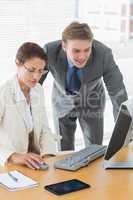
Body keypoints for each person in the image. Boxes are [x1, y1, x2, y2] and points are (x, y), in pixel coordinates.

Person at [40, 22, 128, 151]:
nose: (82, 56)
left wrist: (125, 132)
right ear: (64, 46)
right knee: (64, 151)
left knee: (94, 150)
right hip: (62, 103)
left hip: (92, 103)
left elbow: (118, 94)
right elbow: (34, 84)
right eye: (76, 51)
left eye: (87, 50)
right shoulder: (50, 51)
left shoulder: (103, 54)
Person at [0, 42, 57, 169]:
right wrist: (13, 156)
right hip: (10, 165)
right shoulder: (4, 93)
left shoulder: (38, 89)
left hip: (36, 163)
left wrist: (49, 156)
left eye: (41, 71)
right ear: (18, 63)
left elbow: (44, 128)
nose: (36, 77)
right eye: (31, 70)